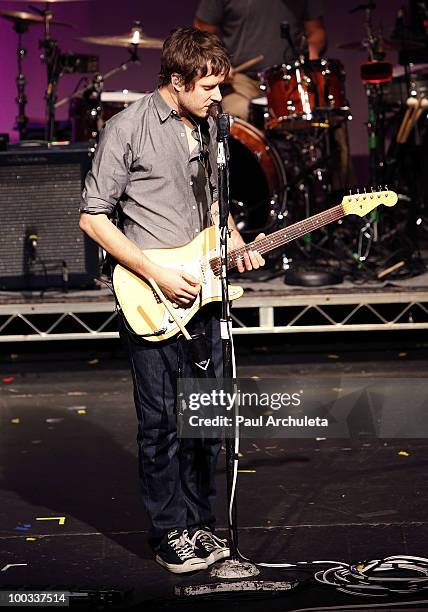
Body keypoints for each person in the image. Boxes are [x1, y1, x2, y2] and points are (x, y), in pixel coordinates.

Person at [79, 27, 265, 575]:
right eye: (207, 86)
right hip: (150, 293)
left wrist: (233, 240)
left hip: (203, 295)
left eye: (219, 86)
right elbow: (93, 217)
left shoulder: (211, 128)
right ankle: (169, 532)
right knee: (160, 421)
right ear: (176, 80)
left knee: (205, 418)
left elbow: (214, 205)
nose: (216, 96)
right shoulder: (127, 129)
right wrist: (152, 270)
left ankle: (201, 522)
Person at [194, 0, 327, 122]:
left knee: (325, 115)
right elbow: (201, 33)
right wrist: (219, 64)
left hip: (289, 81)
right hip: (239, 81)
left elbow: (317, 31)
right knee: (241, 114)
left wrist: (312, 51)